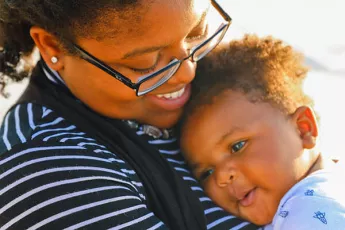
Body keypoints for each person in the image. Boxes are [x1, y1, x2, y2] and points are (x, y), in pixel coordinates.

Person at [0, 0, 261, 229]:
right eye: (144, 63)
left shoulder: (225, 83)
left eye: (196, 31)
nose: (187, 73)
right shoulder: (48, 172)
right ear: (53, 46)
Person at [180, 34, 345, 229]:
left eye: (237, 146)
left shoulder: (313, 210)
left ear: (303, 129)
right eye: (207, 172)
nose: (223, 177)